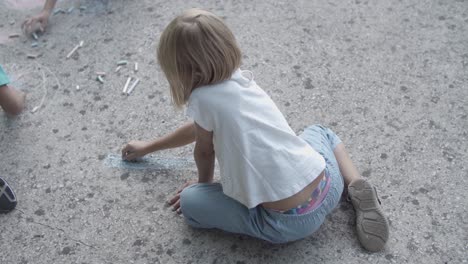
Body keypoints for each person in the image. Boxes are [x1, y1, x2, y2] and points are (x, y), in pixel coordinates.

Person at [121, 9, 389, 251]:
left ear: (179, 69)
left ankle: (219, 202)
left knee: (192, 203)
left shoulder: (203, 99)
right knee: (321, 132)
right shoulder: (240, 79)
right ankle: (355, 184)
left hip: (289, 224)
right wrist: (150, 145)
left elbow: (204, 150)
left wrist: (203, 186)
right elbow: (198, 128)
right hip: (329, 185)